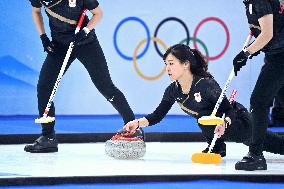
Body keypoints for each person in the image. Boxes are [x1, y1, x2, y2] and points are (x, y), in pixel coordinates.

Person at [122, 44, 284, 160]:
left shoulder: (205, 85)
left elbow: (230, 110)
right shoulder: (173, 90)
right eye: (166, 64)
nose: (167, 69)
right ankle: (217, 147)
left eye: (171, 64)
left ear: (185, 65)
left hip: (240, 123)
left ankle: (219, 146)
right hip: (220, 131)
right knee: (205, 117)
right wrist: (136, 123)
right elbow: (157, 116)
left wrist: (224, 123)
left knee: (277, 145)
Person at [25, 0, 136, 153]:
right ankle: (48, 137)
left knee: (105, 86)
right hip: (60, 45)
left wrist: (85, 30)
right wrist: (43, 37)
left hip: (86, 43)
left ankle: (132, 127)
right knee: (44, 87)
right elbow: (36, 11)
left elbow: (98, 14)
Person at [232, 0, 284, 170]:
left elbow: (267, 34)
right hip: (276, 54)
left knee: (259, 101)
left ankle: (255, 155)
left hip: (280, 57)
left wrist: (245, 53)